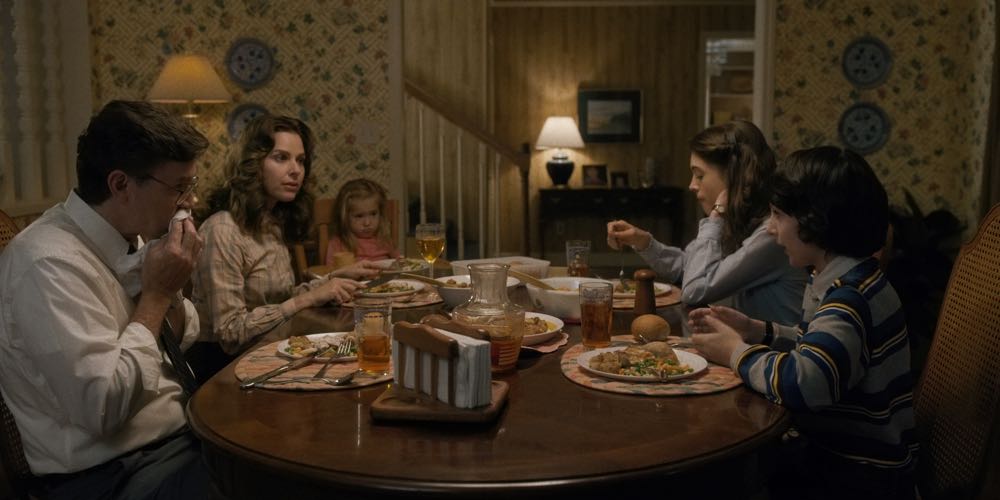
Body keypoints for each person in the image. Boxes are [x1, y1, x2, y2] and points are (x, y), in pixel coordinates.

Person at [0, 101, 212, 499]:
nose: (191, 201)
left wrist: (170, 288)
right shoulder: (48, 263)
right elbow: (103, 407)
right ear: (121, 185)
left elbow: (177, 341)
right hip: (110, 475)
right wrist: (157, 295)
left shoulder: (129, 236)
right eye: (179, 188)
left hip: (173, 442)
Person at [689, 146, 917, 499]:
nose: (770, 228)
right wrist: (756, 330)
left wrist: (735, 351)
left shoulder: (848, 299)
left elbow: (806, 383)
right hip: (842, 462)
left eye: (778, 215)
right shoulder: (843, 278)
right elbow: (814, 344)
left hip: (856, 477)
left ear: (816, 221)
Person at [189, 115, 379, 375]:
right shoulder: (222, 229)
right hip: (223, 370)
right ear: (253, 164)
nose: (296, 170)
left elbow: (283, 299)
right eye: (281, 158)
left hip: (270, 352)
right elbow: (231, 333)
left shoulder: (271, 222)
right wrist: (309, 298)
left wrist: (334, 279)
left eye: (300, 160)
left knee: (362, 360)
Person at [606, 120, 806, 325]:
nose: (692, 185)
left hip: (775, 345)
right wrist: (643, 242)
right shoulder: (739, 220)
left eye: (699, 175)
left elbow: (694, 290)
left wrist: (715, 217)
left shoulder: (772, 235)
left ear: (734, 178)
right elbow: (689, 268)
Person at [325, 178, 400, 264]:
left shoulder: (384, 240)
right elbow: (329, 270)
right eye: (359, 216)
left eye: (373, 214)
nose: (367, 223)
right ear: (345, 218)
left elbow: (401, 263)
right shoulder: (338, 243)